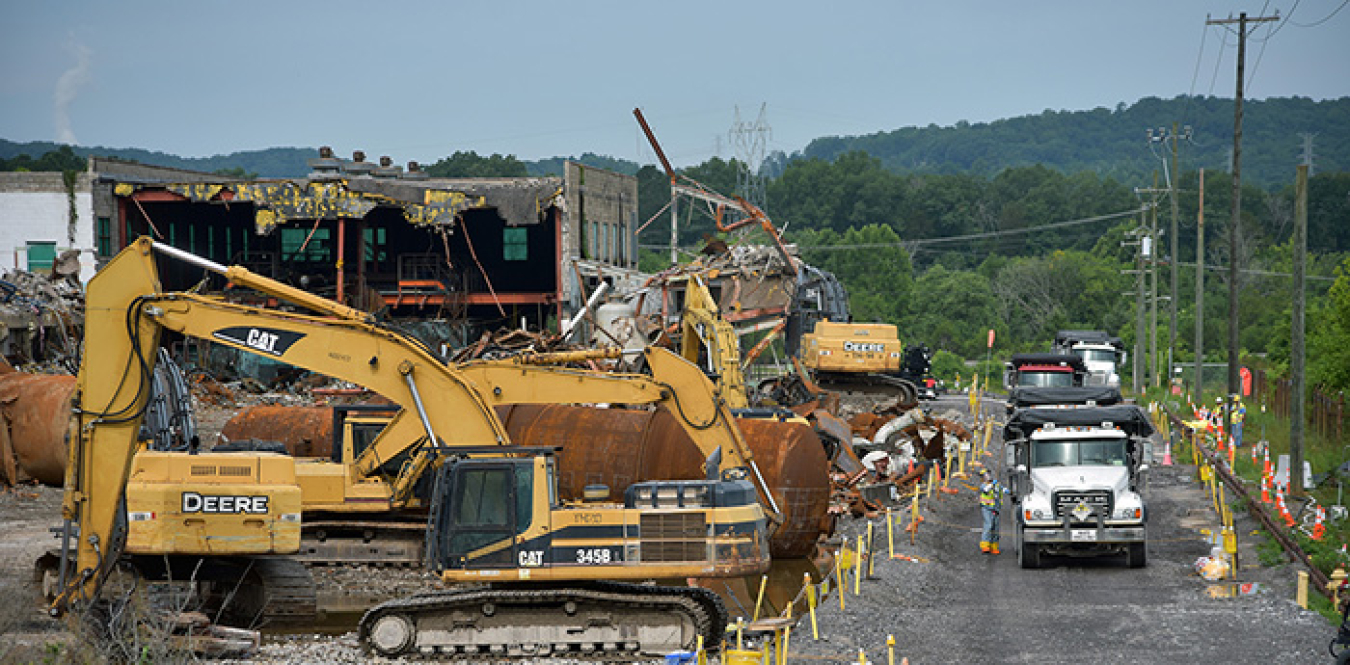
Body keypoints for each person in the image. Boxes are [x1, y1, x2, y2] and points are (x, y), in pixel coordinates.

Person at [978, 467, 1007, 555]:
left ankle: (994, 546)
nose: (987, 476)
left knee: (995, 527)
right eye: (985, 475)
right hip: (987, 508)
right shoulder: (983, 485)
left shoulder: (996, 485)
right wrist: (992, 485)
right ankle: (985, 545)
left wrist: (1008, 491)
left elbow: (1002, 489)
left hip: (996, 509)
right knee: (989, 525)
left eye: (988, 474)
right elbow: (986, 490)